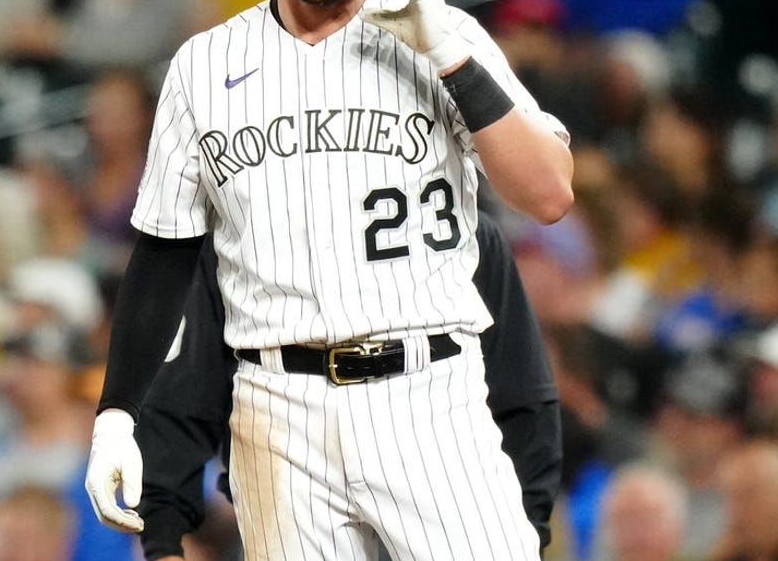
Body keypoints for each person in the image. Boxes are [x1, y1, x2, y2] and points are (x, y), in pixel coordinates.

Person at [84, 0, 575, 558]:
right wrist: (116, 415)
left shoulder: (447, 34)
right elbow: (164, 257)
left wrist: (450, 58)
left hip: (426, 395)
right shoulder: (203, 65)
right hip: (275, 410)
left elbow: (549, 193)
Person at [134, 211, 563, 559]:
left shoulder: (459, 230)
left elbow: (523, 401)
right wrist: (164, 535)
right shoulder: (239, 242)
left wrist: (525, 531)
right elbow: (185, 395)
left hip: (450, 496)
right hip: (291, 495)